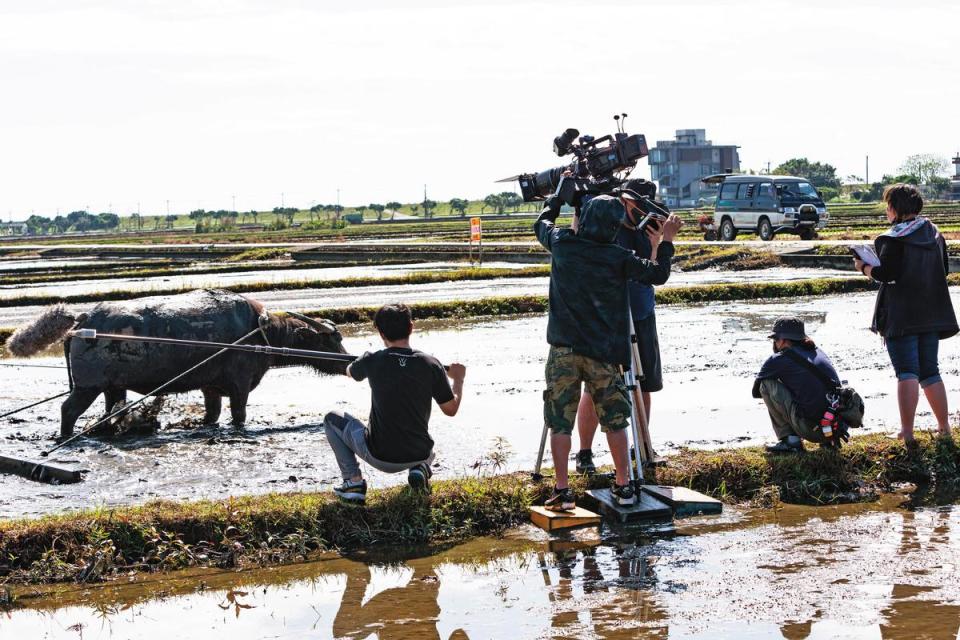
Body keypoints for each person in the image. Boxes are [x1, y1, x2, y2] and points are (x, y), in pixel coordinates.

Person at [535, 192, 682, 509]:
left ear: (584, 219)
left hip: (564, 349)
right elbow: (658, 274)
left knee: (560, 420)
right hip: (604, 352)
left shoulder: (562, 244)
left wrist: (556, 199)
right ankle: (624, 485)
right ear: (615, 228)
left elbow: (541, 223)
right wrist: (666, 241)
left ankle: (562, 491)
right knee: (616, 419)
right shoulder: (618, 257)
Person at [574, 180, 671, 475]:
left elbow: (654, 273)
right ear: (624, 200)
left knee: (644, 382)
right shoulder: (606, 223)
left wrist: (659, 244)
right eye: (635, 203)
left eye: (645, 204)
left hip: (640, 313)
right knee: (595, 385)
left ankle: (641, 447)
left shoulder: (651, 226)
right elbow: (581, 243)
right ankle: (585, 453)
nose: (640, 209)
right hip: (607, 316)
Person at [324, 303, 466, 504]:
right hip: (418, 453)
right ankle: (421, 468)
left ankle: (353, 481)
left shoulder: (372, 360)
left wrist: (362, 361)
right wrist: (458, 380)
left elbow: (349, 371)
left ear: (380, 333)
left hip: (379, 455)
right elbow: (451, 409)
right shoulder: (431, 364)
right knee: (427, 444)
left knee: (331, 419)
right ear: (411, 327)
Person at [854, 183, 957, 443]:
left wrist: (864, 267)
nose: (887, 210)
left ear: (895, 209)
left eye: (888, 206)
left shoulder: (894, 238)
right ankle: (944, 428)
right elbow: (943, 270)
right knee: (930, 371)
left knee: (907, 372)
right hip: (931, 313)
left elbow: (887, 274)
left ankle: (907, 432)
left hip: (901, 315)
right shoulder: (934, 234)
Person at [752, 316, 842, 453]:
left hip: (813, 430)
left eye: (775, 339)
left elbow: (757, 391)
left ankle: (791, 441)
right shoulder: (818, 352)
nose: (775, 343)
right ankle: (829, 443)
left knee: (766, 384)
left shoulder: (779, 359)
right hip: (836, 427)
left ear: (783, 340)